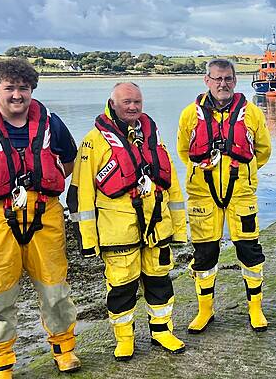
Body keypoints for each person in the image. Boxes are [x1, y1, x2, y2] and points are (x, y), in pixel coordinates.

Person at [0, 58, 80, 378]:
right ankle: (0, 362)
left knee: (55, 289)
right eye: (9, 87)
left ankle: (64, 349)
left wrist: (41, 190)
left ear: (32, 89)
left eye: (23, 88)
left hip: (45, 214)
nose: (16, 95)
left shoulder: (52, 124)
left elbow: (68, 163)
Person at [68, 82, 187, 361]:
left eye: (137, 102)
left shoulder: (153, 137)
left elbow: (173, 188)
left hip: (157, 227)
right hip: (117, 232)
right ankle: (125, 340)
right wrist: (88, 241)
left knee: (160, 283)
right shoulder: (92, 141)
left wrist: (179, 229)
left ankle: (162, 332)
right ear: (112, 103)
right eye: (126, 102)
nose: (132, 107)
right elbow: (80, 195)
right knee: (122, 289)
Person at [177, 58, 272, 333]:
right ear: (206, 80)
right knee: (204, 253)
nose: (223, 83)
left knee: (250, 250)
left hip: (241, 194)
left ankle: (256, 309)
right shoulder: (188, 115)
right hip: (202, 196)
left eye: (228, 78)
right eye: (217, 78)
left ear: (235, 80)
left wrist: (245, 172)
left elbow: (263, 151)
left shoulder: (253, 113)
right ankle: (205, 310)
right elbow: (184, 151)